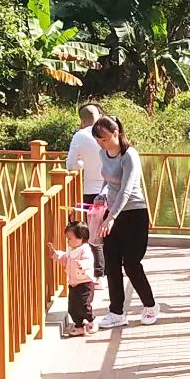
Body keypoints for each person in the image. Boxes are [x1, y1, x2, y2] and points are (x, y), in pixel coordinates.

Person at [92, 116, 157, 328]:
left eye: (103, 139)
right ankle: (116, 312)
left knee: (131, 263)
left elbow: (126, 189)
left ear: (115, 133)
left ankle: (150, 305)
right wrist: (101, 195)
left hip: (133, 214)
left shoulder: (129, 155)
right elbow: (107, 180)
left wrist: (111, 218)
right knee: (111, 263)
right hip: (111, 213)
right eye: (97, 140)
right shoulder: (103, 153)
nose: (100, 143)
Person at [66, 103, 107, 275]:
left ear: (82, 120)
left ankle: (98, 272)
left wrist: (82, 164)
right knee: (109, 230)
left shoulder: (80, 136)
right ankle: (110, 268)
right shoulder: (107, 131)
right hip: (112, 188)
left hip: (91, 190)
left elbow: (70, 165)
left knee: (93, 231)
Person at [52, 219, 97, 336]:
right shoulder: (72, 250)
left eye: (70, 238)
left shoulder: (85, 250)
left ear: (80, 238)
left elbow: (88, 261)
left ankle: (92, 320)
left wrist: (82, 265)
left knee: (83, 305)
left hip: (85, 283)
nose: (68, 241)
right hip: (73, 283)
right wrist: (55, 254)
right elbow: (64, 258)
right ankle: (79, 326)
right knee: (72, 307)